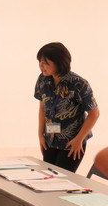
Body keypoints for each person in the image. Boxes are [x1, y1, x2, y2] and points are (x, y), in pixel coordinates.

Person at [35, 42, 100, 173]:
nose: (41, 66)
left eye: (46, 63)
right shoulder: (43, 79)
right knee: (47, 177)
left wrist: (79, 140)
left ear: (59, 63)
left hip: (72, 142)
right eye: (40, 62)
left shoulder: (79, 83)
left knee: (61, 179)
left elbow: (94, 113)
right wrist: (40, 135)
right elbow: (42, 108)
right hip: (50, 139)